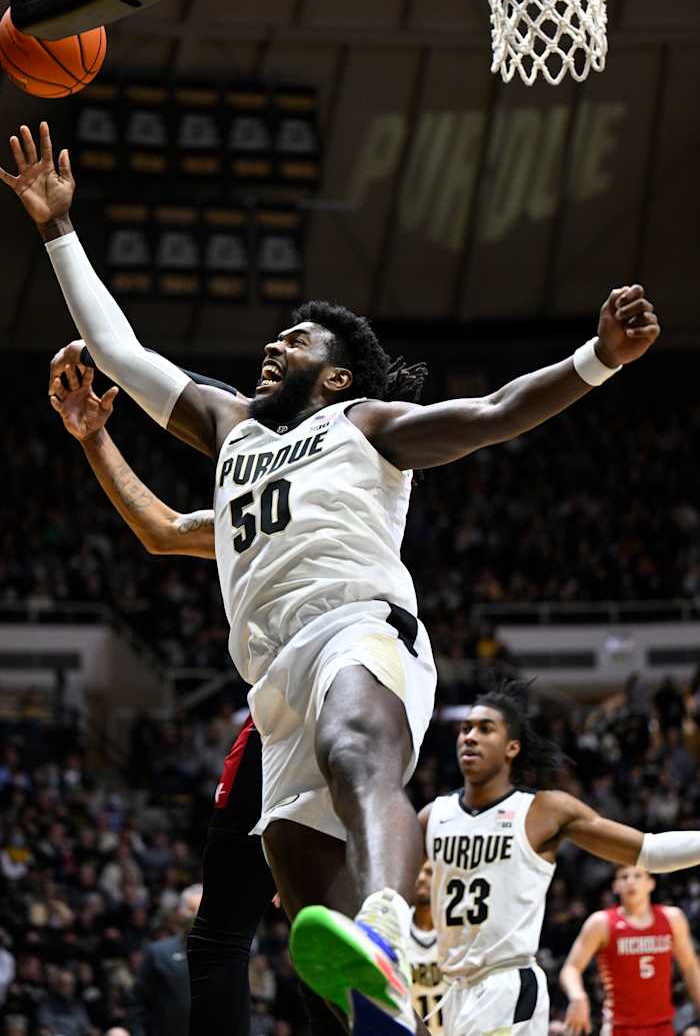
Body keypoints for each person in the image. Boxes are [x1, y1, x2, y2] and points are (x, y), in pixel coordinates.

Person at [1, 121, 661, 1035]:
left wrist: (598, 361)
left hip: (360, 631)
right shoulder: (232, 432)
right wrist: (57, 233)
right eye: (275, 336)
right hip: (272, 688)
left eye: (296, 341)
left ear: (338, 373)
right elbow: (127, 389)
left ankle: (392, 928)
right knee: (314, 929)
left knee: (361, 755)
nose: (274, 344)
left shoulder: (364, 424)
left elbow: (494, 412)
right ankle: (375, 987)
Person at [49, 366, 345, 1036]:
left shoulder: (349, 469)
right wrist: (94, 438)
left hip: (346, 699)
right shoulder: (260, 507)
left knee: (312, 921)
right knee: (250, 928)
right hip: (285, 715)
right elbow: (160, 530)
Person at [419, 681, 700, 1036]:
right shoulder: (433, 816)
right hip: (450, 987)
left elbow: (651, 851)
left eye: (485, 729)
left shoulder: (543, 810)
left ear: (512, 748)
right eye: (466, 729)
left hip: (506, 982)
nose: (470, 737)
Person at [560, 865, 700, 1036]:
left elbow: (691, 967)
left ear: (651, 883)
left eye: (638, 876)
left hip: (663, 1026)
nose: (631, 881)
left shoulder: (672, 918)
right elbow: (570, 968)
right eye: (624, 877)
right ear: (615, 886)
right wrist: (577, 996)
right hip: (619, 1027)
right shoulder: (601, 923)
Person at [128, 884, 202, 1036]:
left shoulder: (226, 955)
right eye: (191, 909)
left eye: (201, 910)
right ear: (179, 913)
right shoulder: (158, 953)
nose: (196, 916)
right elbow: (137, 1003)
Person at [408, 862, 445, 1036]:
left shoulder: (456, 931)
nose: (421, 878)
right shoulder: (397, 926)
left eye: (429, 872)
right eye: (417, 872)